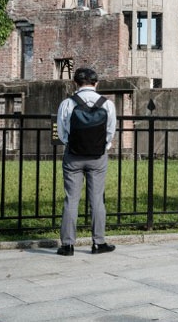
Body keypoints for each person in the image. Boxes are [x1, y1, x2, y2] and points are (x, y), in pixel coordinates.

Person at [56, 67, 117, 256]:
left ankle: (67, 245)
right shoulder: (107, 105)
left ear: (75, 83)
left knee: (71, 199)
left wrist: (72, 144)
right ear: (96, 83)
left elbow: (61, 131)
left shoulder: (67, 103)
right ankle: (98, 243)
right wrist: (102, 148)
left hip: (73, 156)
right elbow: (110, 131)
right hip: (97, 157)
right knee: (97, 199)